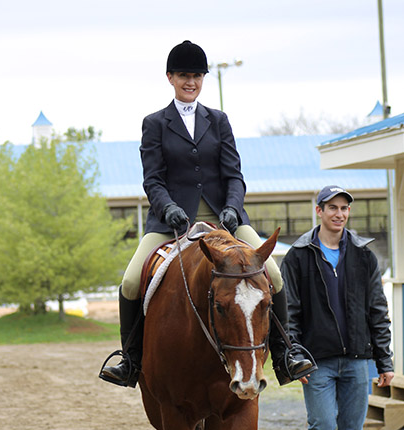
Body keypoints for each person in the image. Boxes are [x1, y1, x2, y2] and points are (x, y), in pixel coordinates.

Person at [99, 40, 314, 389]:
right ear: (170, 77)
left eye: (197, 76)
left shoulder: (218, 120)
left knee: (272, 275)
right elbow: (152, 178)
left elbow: (234, 174)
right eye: (184, 75)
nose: (191, 82)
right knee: (132, 281)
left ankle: (286, 354)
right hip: (171, 223)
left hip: (224, 219)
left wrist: (231, 207)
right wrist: (167, 207)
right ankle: (131, 360)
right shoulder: (155, 123)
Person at [281, 185, 394, 430]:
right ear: (318, 211)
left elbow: (377, 309)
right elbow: (289, 315)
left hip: (359, 360)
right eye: (332, 207)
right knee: (322, 428)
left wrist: (384, 361)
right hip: (317, 362)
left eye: (344, 208)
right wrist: (294, 357)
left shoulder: (364, 255)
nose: (339, 214)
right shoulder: (298, 256)